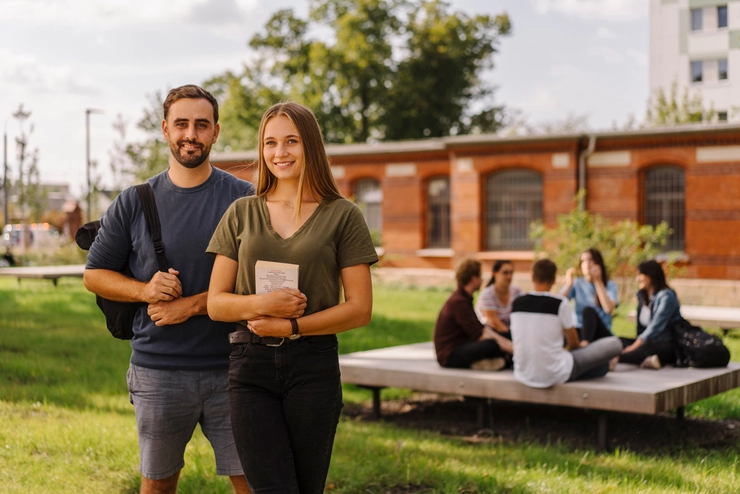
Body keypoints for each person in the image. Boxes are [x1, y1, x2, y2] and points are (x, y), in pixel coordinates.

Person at [83, 85, 253, 494]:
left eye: (201, 124)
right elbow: (94, 274)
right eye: (181, 124)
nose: (190, 134)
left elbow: (256, 280)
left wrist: (192, 306)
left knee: (253, 484)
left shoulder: (245, 199)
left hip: (234, 368)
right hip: (157, 372)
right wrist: (145, 291)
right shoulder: (134, 200)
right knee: (157, 487)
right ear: (165, 130)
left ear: (215, 132)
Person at [206, 102, 378, 494]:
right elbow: (216, 303)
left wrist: (293, 325)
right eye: (270, 143)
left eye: (291, 142)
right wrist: (262, 305)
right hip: (250, 368)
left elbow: (360, 308)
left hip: (312, 367)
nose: (279, 153)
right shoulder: (241, 213)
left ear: (310, 146)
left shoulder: (343, 215)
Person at [510, 259, 622, 388]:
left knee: (598, 365)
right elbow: (573, 344)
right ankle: (606, 365)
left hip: (523, 373)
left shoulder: (516, 303)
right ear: (554, 279)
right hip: (557, 372)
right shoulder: (559, 303)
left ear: (532, 276)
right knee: (614, 345)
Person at [434, 258, 513, 371]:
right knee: (491, 345)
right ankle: (502, 360)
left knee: (503, 337)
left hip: (464, 345)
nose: (482, 280)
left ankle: (498, 361)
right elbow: (479, 335)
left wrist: (508, 343)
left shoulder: (464, 298)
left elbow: (482, 329)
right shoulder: (458, 302)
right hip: (449, 355)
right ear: (473, 278)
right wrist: (511, 349)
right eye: (480, 276)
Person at [619, 260, 682, 369]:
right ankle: (649, 360)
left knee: (643, 349)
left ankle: (615, 359)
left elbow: (656, 327)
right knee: (618, 341)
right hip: (646, 341)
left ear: (651, 275)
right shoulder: (641, 296)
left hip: (666, 343)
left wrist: (635, 346)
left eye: (640, 275)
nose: (637, 279)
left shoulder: (666, 296)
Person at [559, 248, 618, 345]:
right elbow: (558, 302)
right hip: (580, 329)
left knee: (588, 311)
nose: (587, 264)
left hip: (600, 332)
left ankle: (585, 344)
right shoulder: (577, 283)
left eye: (590, 260)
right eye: (583, 261)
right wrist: (569, 284)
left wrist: (598, 281)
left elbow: (608, 309)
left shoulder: (610, 285)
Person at [475, 259, 523, 339]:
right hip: (493, 336)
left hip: (513, 333)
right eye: (505, 273)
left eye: (511, 273)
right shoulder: (487, 295)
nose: (509, 276)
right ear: (495, 273)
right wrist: (514, 337)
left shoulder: (517, 292)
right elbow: (495, 323)